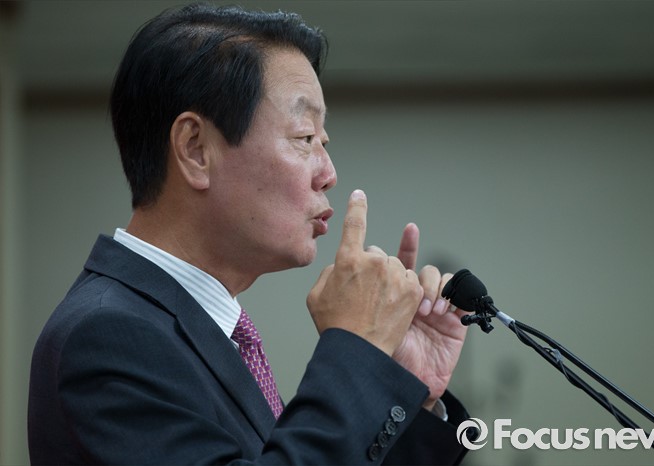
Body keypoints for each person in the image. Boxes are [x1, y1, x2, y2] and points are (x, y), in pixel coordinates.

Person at [28, 4, 473, 464]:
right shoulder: (109, 336)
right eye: (305, 137)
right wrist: (357, 353)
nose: (329, 174)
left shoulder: (196, 328)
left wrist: (399, 389)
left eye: (324, 142)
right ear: (195, 149)